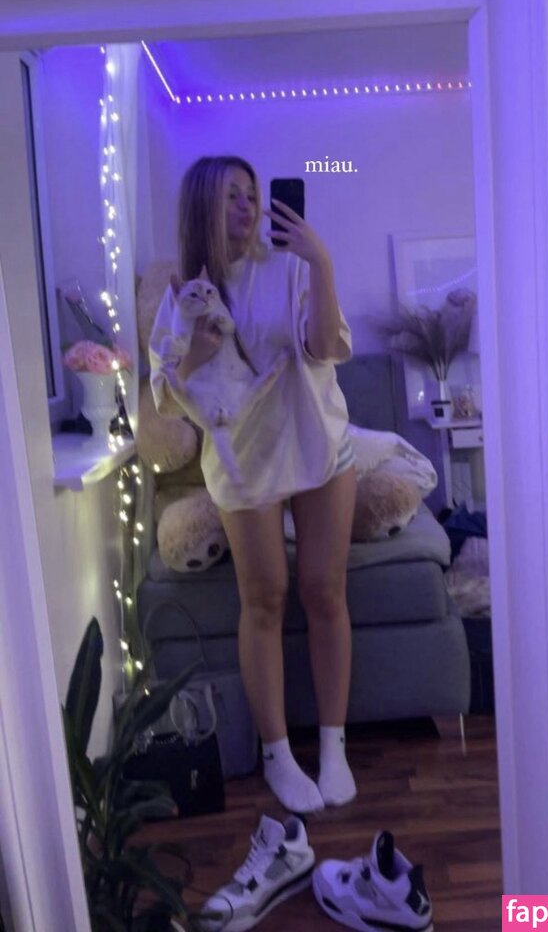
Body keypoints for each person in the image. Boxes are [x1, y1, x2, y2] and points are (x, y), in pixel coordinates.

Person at [149, 155, 358, 813]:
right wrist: (196, 354)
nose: (248, 206)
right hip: (244, 463)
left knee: (324, 590)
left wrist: (321, 263)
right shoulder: (185, 291)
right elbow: (164, 395)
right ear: (202, 208)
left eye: (252, 194)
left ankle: (333, 747)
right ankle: (277, 755)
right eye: (231, 197)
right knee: (264, 600)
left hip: (319, 442)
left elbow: (323, 348)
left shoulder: (290, 266)